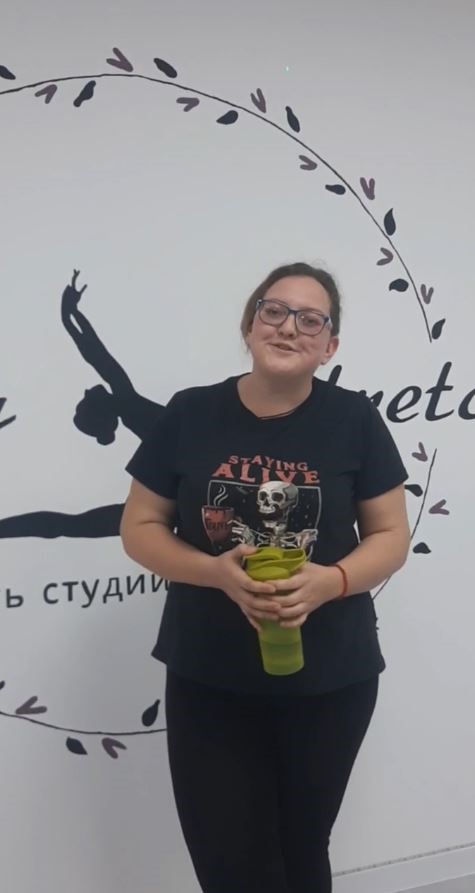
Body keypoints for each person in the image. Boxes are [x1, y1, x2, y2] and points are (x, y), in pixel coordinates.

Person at [120, 261, 410, 893]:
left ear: (330, 346)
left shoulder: (355, 419)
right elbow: (139, 527)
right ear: (250, 326)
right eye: (274, 311)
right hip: (209, 674)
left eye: (310, 320)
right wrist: (214, 573)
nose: (288, 327)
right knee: (227, 859)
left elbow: (392, 537)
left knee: (300, 850)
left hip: (331, 676)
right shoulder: (190, 412)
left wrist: (330, 581)